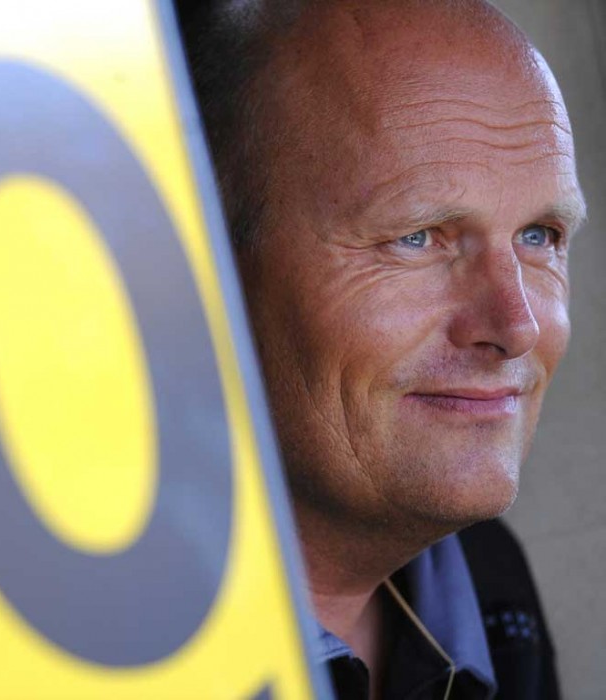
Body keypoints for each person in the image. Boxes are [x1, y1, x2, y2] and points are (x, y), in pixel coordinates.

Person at [180, 0, 586, 698]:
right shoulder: (74, 638)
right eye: (416, 238)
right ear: (206, 260)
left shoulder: (486, 583)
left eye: (539, 236)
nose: (516, 327)